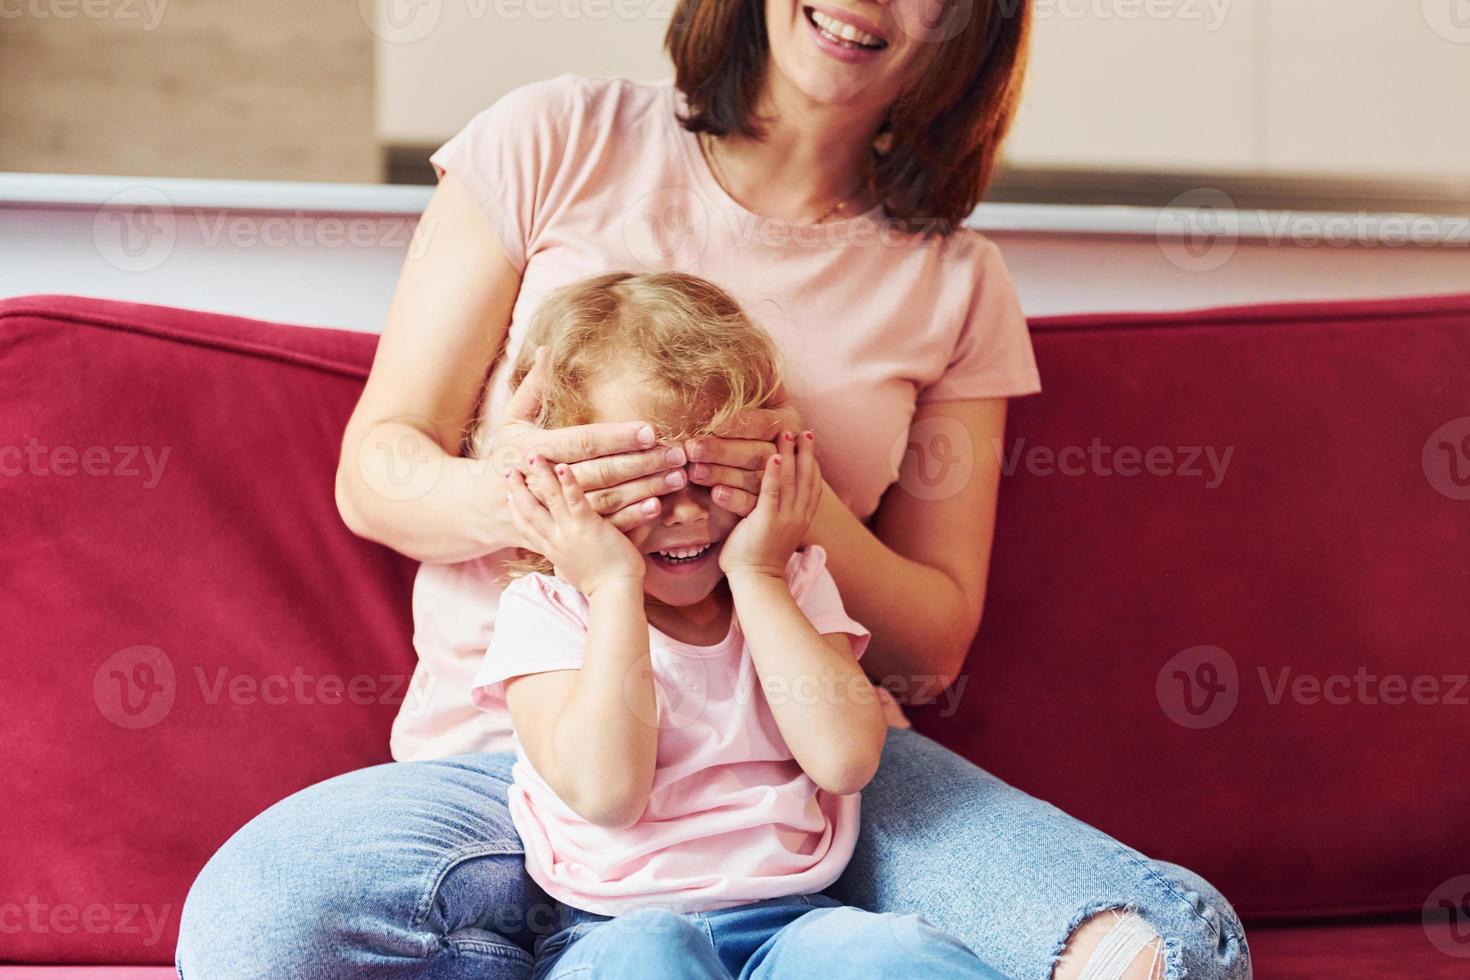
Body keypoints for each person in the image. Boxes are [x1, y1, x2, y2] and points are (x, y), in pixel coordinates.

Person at [178, 2, 1250, 977]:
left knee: (1159, 953)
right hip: (519, 764)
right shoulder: (555, 138)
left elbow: (930, 646)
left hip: (795, 756)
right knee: (258, 925)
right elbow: (378, 471)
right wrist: (557, 507)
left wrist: (787, 504)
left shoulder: (958, 279)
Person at [477, 270, 1004, 978]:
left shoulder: (788, 581)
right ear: (563, 479)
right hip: (608, 926)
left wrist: (758, 576)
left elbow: (846, 760)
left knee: (892, 950)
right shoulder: (548, 612)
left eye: (709, 476)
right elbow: (608, 792)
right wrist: (612, 586)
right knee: (650, 954)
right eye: (643, 483)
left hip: (792, 919)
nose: (687, 514)